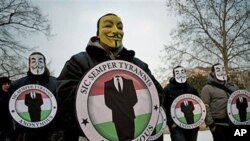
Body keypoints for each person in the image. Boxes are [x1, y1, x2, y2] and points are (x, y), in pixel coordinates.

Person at [57, 13, 163, 141]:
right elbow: (63, 97)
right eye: (108, 25)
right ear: (98, 33)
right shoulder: (78, 61)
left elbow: (157, 95)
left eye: (120, 27)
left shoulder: (139, 65)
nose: (115, 31)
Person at [10, 52, 60, 141]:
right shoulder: (17, 84)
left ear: (44, 63)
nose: (37, 64)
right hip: (26, 133)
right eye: (33, 61)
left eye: (40, 61)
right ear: (29, 64)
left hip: (51, 133)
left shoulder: (56, 83)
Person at [200, 63, 239, 141]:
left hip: (235, 124)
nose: (221, 72)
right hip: (219, 125)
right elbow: (205, 107)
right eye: (218, 70)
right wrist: (212, 125)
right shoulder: (207, 89)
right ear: (212, 73)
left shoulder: (234, 87)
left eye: (223, 70)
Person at [163, 66, 199, 141]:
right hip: (176, 127)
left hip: (192, 125)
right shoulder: (167, 89)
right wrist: (170, 123)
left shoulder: (191, 89)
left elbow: (199, 105)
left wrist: (198, 121)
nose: (180, 74)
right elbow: (164, 107)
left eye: (182, 72)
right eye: (177, 72)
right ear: (174, 75)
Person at [0, 76, 14, 141]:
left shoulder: (11, 95)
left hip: (9, 122)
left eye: (8, 84)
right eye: (5, 84)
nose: (7, 85)